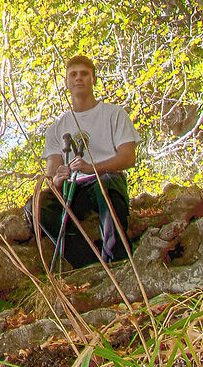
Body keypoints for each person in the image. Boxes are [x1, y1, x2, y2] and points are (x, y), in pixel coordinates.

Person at [31, 54, 138, 268]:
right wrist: (59, 179)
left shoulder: (113, 114)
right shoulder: (57, 127)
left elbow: (128, 157)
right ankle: (88, 262)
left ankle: (117, 260)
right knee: (37, 205)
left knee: (106, 183)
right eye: (73, 74)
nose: (79, 78)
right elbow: (52, 174)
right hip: (74, 187)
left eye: (84, 74)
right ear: (66, 82)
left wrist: (92, 168)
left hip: (106, 181)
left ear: (94, 79)